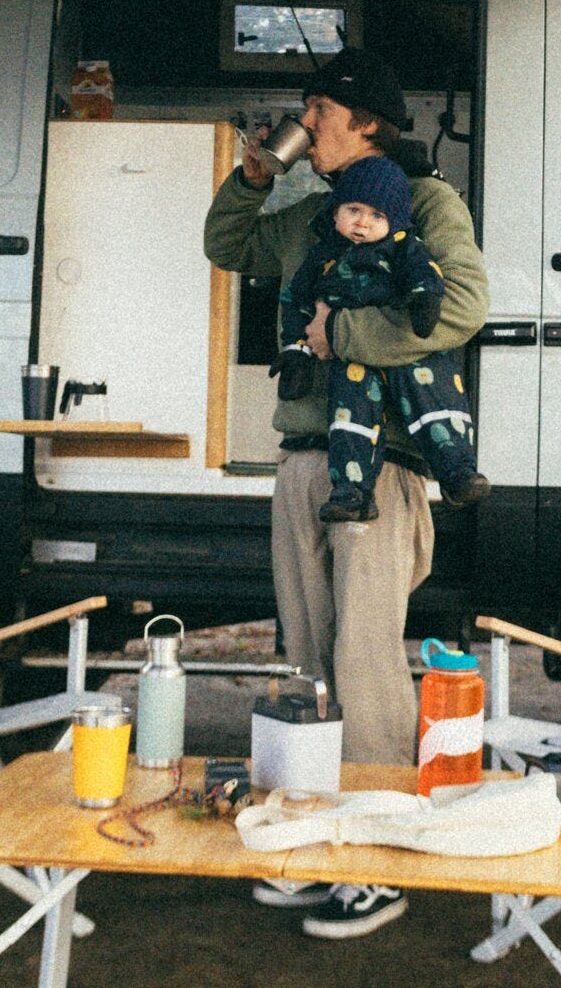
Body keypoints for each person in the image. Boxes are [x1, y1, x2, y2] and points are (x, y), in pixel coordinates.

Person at [205, 47, 488, 939]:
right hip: (303, 456)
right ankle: (310, 837)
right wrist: (251, 179)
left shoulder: (427, 204)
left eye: (316, 109)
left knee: (364, 660)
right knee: (307, 654)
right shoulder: (309, 212)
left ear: (365, 119)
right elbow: (227, 247)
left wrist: (347, 335)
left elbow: (461, 305)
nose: (305, 122)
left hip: (387, 460)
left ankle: (374, 860)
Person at [272, 152, 488, 524]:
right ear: (336, 212)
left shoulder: (404, 247)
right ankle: (352, 492)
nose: (363, 224)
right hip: (351, 359)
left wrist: (423, 301)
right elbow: (296, 301)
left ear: (394, 222)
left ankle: (457, 472)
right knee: (351, 419)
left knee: (434, 398)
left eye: (377, 216)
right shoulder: (322, 256)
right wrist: (296, 350)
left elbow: (427, 274)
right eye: (354, 210)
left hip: (401, 346)